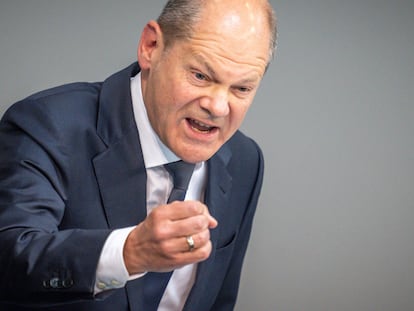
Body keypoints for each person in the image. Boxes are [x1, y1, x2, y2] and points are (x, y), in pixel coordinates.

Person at [0, 0, 277, 310]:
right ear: (151, 47)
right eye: (201, 76)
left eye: (241, 88)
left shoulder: (244, 160)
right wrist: (128, 253)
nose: (217, 106)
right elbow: (10, 257)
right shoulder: (48, 123)